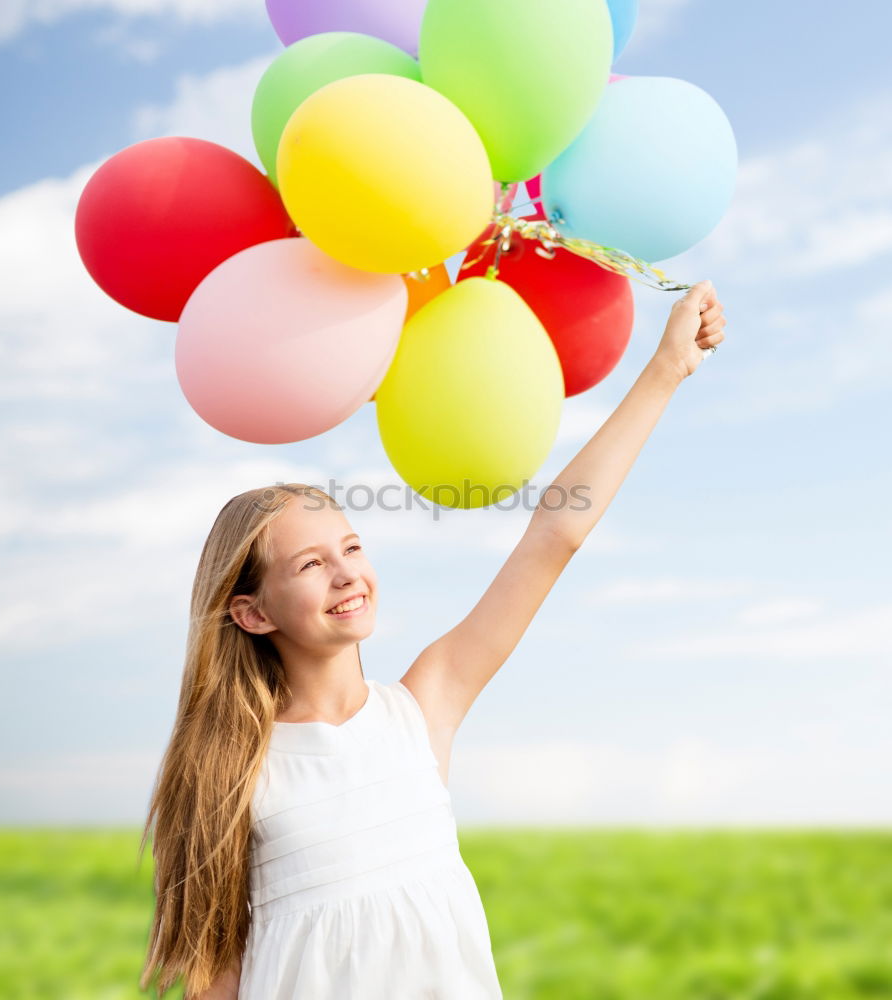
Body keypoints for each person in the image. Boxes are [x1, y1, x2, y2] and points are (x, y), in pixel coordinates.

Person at [138, 280, 727, 999]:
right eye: (312, 564)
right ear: (253, 613)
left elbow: (556, 532)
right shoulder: (232, 763)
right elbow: (215, 979)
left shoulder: (424, 706)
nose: (346, 576)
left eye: (351, 549)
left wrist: (665, 370)